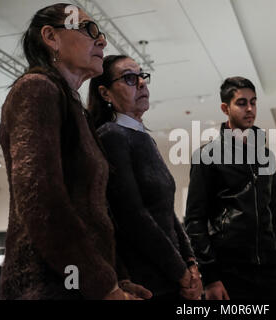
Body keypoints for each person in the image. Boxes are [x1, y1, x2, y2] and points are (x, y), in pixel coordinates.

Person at [0, 4, 151, 300]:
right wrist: (104, 285)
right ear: (51, 37)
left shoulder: (74, 109)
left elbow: (95, 211)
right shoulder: (36, 88)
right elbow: (40, 198)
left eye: (101, 33)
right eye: (88, 29)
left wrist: (119, 278)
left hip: (77, 283)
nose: (102, 40)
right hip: (46, 285)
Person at [88, 55, 203, 300]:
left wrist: (191, 263)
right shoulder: (111, 135)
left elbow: (167, 212)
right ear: (105, 93)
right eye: (129, 78)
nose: (141, 83)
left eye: (142, 76)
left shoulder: (144, 138)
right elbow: (132, 217)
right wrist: (181, 271)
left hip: (171, 277)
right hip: (146, 282)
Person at [184, 76, 276, 300]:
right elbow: (195, 221)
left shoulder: (265, 158)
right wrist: (211, 276)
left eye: (253, 102)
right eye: (242, 103)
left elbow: (275, 215)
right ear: (225, 108)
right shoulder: (207, 156)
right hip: (229, 273)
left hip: (269, 271)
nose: (250, 108)